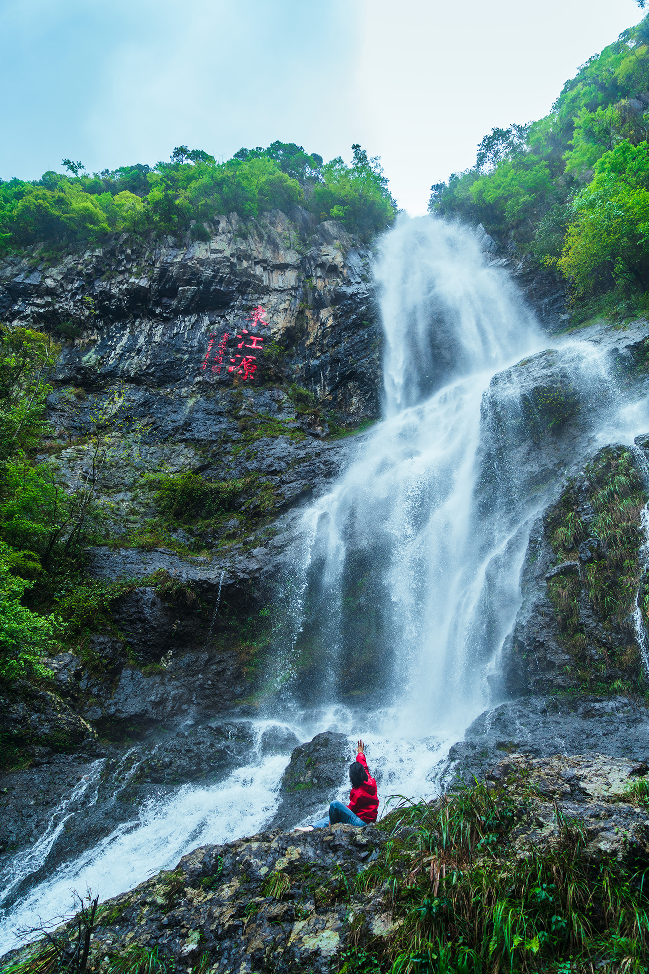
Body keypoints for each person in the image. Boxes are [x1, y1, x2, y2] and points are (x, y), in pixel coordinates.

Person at [297, 739, 379, 830]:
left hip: (362, 823)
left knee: (335, 805)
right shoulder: (370, 780)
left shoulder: (358, 793)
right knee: (335, 812)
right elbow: (363, 765)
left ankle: (331, 829)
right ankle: (311, 827)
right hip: (370, 820)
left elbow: (351, 810)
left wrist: (334, 822)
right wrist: (360, 753)